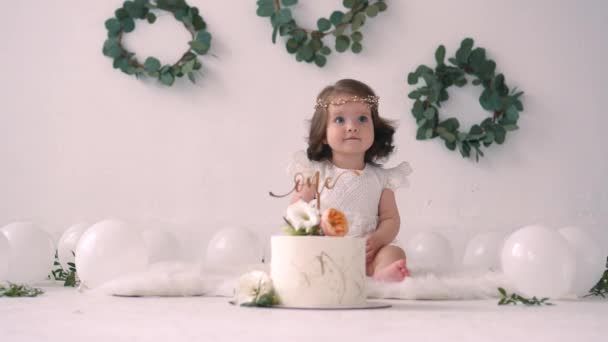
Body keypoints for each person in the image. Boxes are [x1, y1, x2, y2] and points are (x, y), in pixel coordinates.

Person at [289, 79, 412, 282]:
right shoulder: (314, 173)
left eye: (362, 119)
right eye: (339, 120)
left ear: (375, 128)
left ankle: (381, 275)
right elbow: (296, 210)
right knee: (304, 255)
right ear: (323, 135)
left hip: (367, 255)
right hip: (325, 251)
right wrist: (316, 229)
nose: (352, 127)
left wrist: (378, 239)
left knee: (393, 253)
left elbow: (391, 219)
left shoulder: (383, 179)